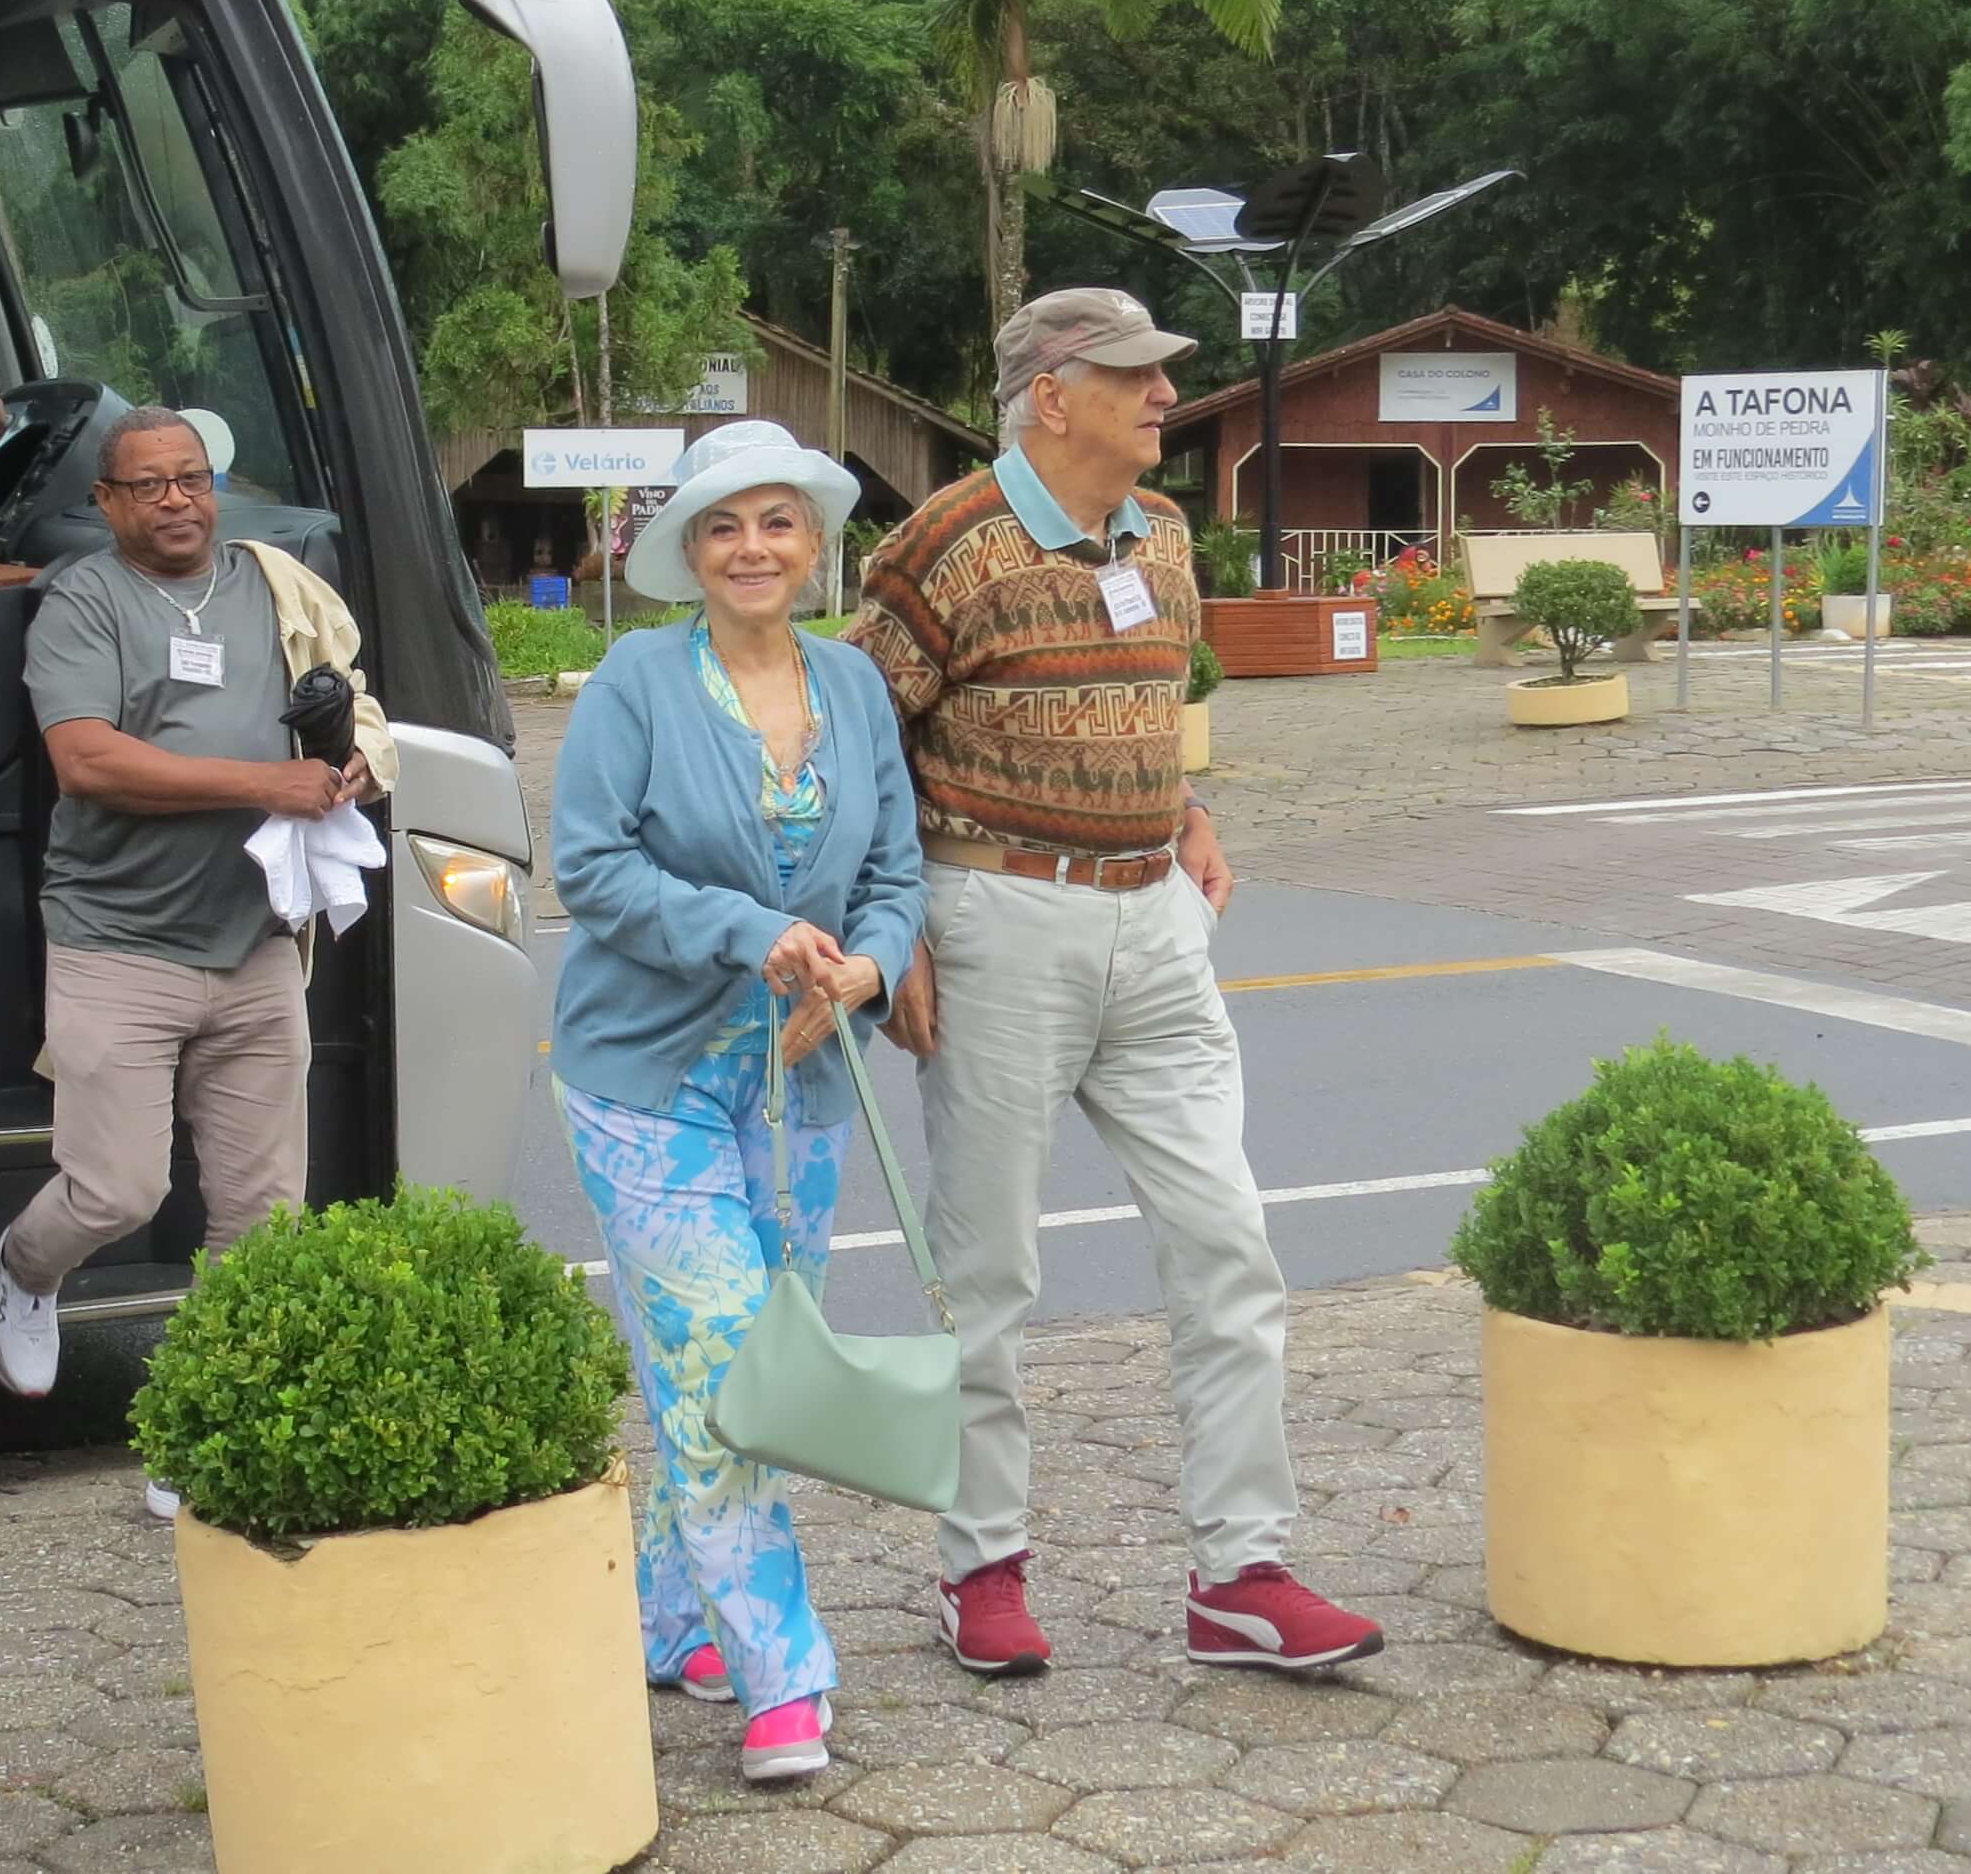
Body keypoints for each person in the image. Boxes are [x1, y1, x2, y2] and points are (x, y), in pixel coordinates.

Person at [849, 288, 1385, 1679]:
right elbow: (856, 741)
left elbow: (1146, 705)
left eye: (1162, 374)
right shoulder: (945, 541)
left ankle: (1242, 1574)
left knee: (1229, 1244)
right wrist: (892, 924)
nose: (1163, 397)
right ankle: (981, 1566)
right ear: (1050, 394)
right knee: (990, 1270)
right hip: (997, 918)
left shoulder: (1164, 534)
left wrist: (1185, 807)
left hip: (1154, 925)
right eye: (1135, 375)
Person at [548, 420, 924, 1785]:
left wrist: (869, 966)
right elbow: (589, 867)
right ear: (689, 550)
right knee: (720, 1357)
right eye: (723, 526)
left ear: (814, 543)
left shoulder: (855, 685)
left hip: (801, 1083)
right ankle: (783, 1675)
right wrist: (747, 932)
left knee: (748, 1367)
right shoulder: (637, 683)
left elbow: (894, 870)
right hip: (644, 1079)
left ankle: (674, 1619)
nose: (751, 548)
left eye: (777, 522)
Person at [0, 407, 389, 1515]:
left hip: (255, 942)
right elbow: (86, 761)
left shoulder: (273, 586)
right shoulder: (84, 601)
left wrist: (348, 763)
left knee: (263, 1215)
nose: (175, 500)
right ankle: (24, 1268)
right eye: (148, 484)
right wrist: (264, 784)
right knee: (118, 1188)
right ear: (106, 502)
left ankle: (201, 1430)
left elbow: (349, 701)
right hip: (117, 941)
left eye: (192, 479)